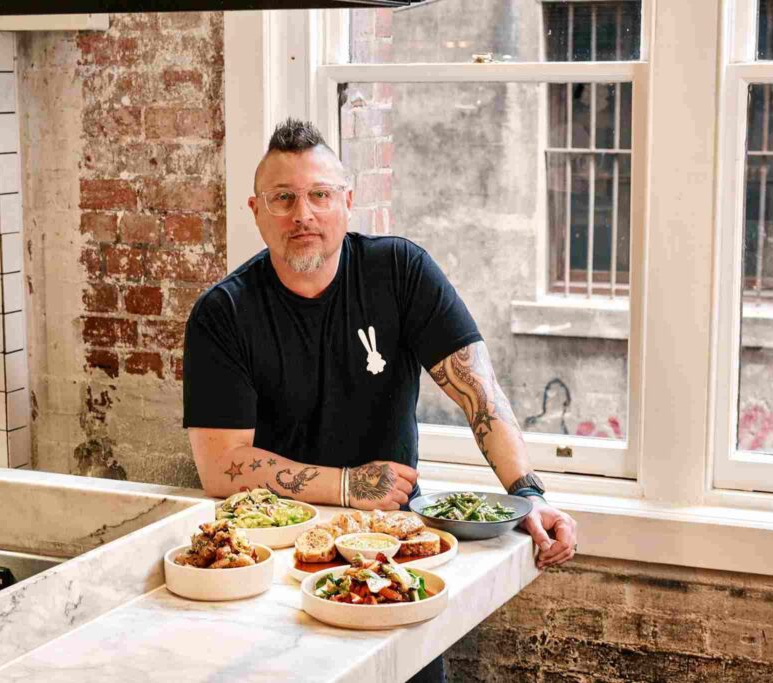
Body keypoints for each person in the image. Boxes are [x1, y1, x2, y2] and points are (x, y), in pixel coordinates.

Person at [183, 118, 577, 682]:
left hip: (395, 548)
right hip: (278, 557)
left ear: (348, 201)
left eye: (320, 195)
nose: (303, 214)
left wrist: (527, 494)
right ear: (257, 210)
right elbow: (220, 467)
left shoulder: (399, 271)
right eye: (283, 198)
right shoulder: (223, 314)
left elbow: (480, 393)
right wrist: (348, 485)